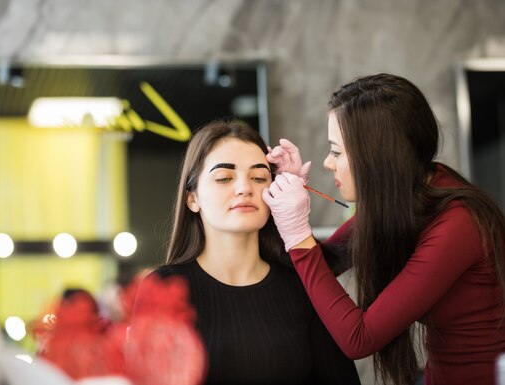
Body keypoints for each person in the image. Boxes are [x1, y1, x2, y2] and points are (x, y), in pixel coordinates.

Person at [262, 73, 505, 385]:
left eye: (336, 151)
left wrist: (298, 233)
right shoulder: (408, 197)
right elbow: (326, 263)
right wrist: (286, 207)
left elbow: (359, 338)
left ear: (377, 156)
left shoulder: (460, 222)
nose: (327, 163)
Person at [133, 119, 360, 385]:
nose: (244, 188)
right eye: (224, 178)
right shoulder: (164, 288)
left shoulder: (303, 286)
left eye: (259, 177)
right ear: (192, 199)